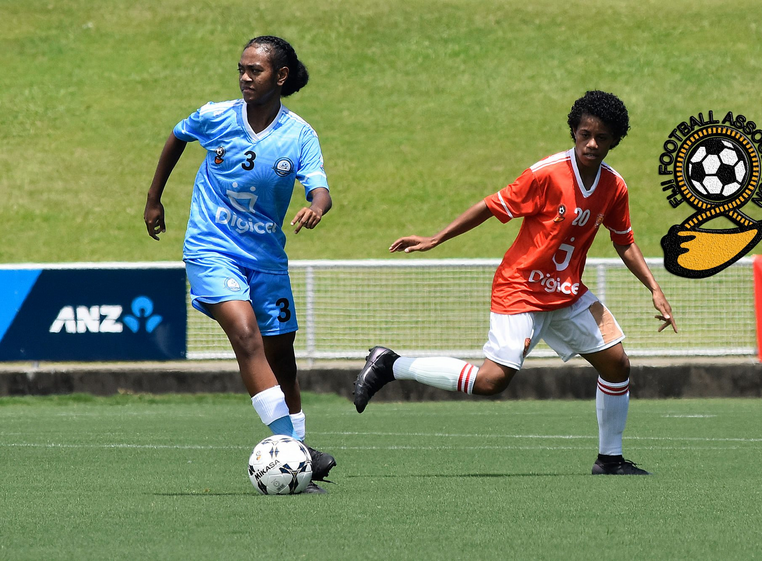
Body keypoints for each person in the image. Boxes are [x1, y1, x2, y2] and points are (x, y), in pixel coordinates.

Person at [354, 90, 677, 475]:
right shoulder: (546, 174)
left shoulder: (614, 186)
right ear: (573, 132)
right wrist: (436, 237)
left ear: (615, 140)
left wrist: (655, 289)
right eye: (584, 134)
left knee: (616, 364)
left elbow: (624, 241)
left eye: (602, 137)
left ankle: (609, 459)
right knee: (492, 382)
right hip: (521, 287)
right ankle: (392, 365)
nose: (592, 143)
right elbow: (490, 207)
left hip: (567, 293)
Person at [144, 36, 336, 492]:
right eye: (242, 70)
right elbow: (176, 137)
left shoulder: (299, 134)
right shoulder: (215, 116)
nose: (246, 78)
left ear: (280, 77)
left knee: (281, 354)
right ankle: (293, 449)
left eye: (256, 71)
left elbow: (321, 188)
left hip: (266, 257)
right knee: (245, 334)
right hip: (211, 247)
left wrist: (317, 206)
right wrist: (154, 200)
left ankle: (300, 457)